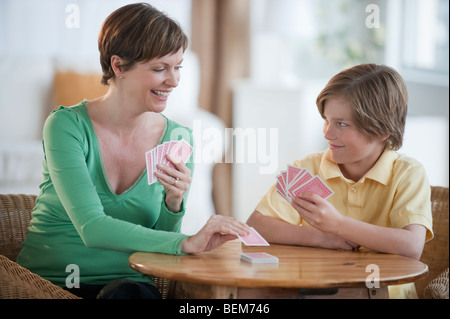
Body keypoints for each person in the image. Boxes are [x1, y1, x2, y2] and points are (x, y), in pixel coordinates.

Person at [17, 3, 250, 299]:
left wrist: (174, 203)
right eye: (159, 68)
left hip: (130, 287)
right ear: (118, 66)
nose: (174, 81)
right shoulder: (66, 126)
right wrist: (186, 241)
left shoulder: (179, 138)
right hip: (51, 284)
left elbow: (163, 237)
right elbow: (93, 228)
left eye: (178, 67)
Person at [247, 64, 433, 299]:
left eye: (341, 124)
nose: (327, 133)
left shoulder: (408, 173)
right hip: (316, 290)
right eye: (326, 120)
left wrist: (337, 224)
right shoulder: (306, 168)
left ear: (382, 130)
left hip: (382, 293)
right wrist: (322, 237)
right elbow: (256, 224)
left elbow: (411, 247)